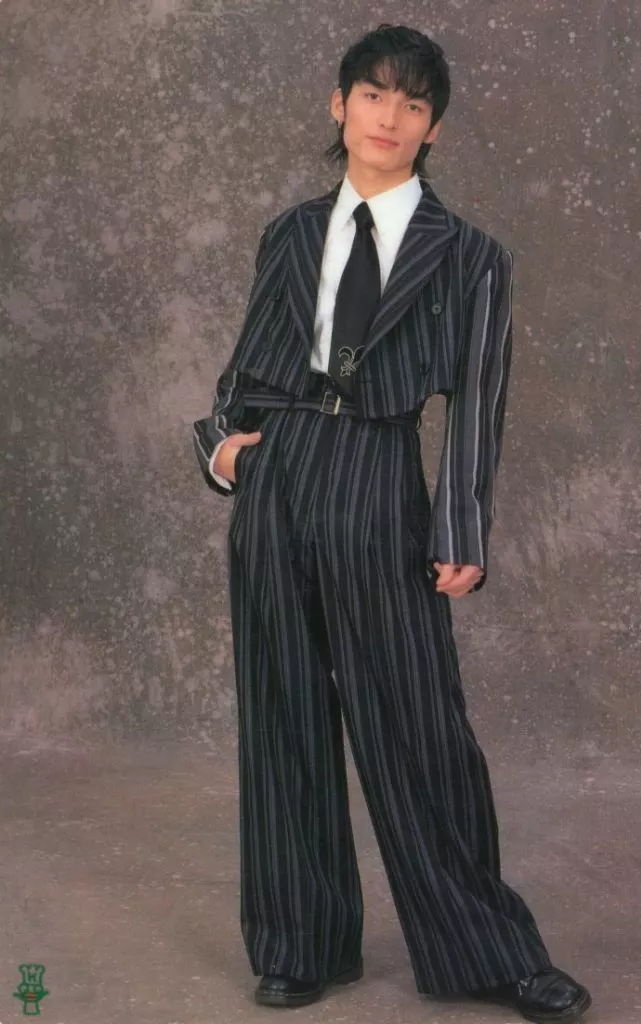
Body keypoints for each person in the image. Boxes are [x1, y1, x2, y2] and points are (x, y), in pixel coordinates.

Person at [192, 23, 592, 1024]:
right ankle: (300, 942)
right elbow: (244, 372)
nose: (390, 116)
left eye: (413, 104)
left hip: (379, 475)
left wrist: (459, 527)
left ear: (433, 128)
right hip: (281, 475)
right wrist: (225, 448)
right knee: (281, 715)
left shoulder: (469, 256)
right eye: (373, 95)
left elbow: (478, 404)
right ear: (340, 106)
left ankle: (488, 949)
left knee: (416, 724)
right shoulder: (289, 234)